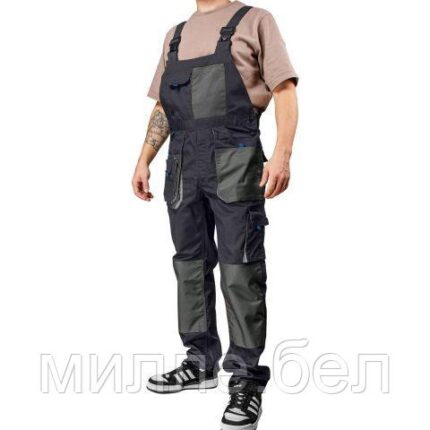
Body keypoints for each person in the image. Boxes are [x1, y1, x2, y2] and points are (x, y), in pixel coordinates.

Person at [132, 1, 298, 428]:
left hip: (235, 158)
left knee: (240, 268)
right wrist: (144, 158)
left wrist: (282, 155)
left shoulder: (255, 20)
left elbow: (284, 89)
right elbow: (164, 107)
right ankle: (199, 360)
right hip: (182, 162)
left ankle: (246, 378)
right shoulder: (175, 34)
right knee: (189, 264)